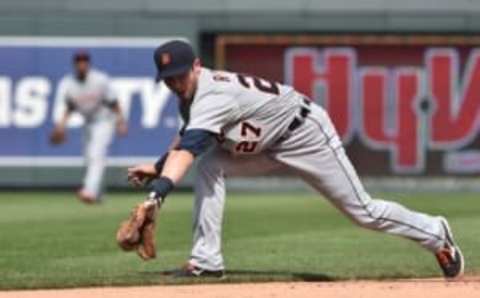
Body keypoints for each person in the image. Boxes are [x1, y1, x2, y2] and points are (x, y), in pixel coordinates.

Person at [127, 40, 464, 279]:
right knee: (211, 166)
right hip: (263, 145)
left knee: (364, 212)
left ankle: (436, 232)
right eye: (169, 78)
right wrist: (157, 166)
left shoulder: (212, 93)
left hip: (304, 135)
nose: (175, 82)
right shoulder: (190, 95)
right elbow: (188, 136)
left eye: (181, 74)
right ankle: (206, 262)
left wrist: (157, 193)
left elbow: (189, 148)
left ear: (198, 66)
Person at [51, 51, 128, 204]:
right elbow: (69, 107)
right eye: (79, 61)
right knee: (89, 159)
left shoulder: (99, 80)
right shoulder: (69, 84)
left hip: (105, 121)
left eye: (84, 61)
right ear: (74, 64)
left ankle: (89, 190)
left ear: (89, 63)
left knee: (96, 155)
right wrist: (61, 126)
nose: (82, 64)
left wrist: (121, 121)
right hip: (88, 122)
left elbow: (114, 102)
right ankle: (98, 194)